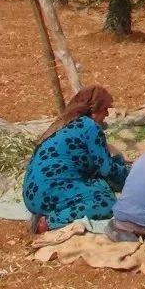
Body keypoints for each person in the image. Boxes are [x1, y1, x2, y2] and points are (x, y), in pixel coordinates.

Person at [22, 86, 129, 233]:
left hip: (31, 195)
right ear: (94, 109)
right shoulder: (90, 127)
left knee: (101, 181)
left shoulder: (67, 124)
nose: (107, 114)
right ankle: (50, 221)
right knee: (107, 203)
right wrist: (133, 175)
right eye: (105, 109)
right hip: (47, 193)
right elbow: (107, 169)